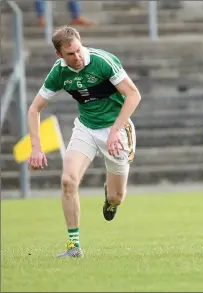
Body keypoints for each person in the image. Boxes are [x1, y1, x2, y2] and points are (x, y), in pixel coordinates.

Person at [27, 26, 141, 258]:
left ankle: (110, 198)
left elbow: (133, 95)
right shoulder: (59, 72)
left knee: (116, 197)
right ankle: (73, 246)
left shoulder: (102, 62)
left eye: (78, 50)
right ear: (59, 55)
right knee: (68, 181)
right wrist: (36, 147)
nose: (77, 57)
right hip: (86, 128)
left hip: (117, 129)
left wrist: (114, 132)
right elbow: (34, 108)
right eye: (70, 54)